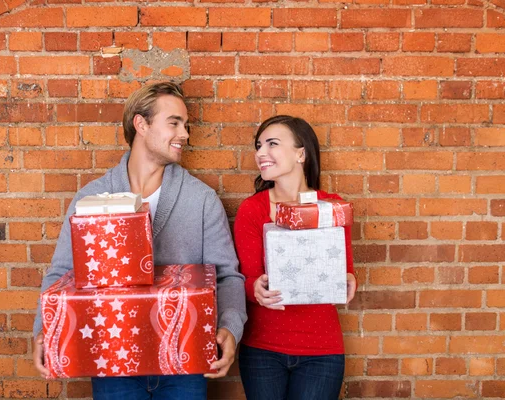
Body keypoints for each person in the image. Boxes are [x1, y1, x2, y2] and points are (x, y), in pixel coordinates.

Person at [32, 82, 247, 399]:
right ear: (141, 124)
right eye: (174, 123)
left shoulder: (202, 200)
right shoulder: (91, 198)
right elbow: (61, 273)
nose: (185, 134)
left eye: (185, 125)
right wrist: (44, 331)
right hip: (112, 360)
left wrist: (229, 328)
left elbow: (227, 274)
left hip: (185, 364)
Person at [233, 115, 357, 400]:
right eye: (259, 145)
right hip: (264, 349)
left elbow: (346, 269)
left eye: (272, 144)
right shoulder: (253, 210)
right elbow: (245, 279)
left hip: (321, 350)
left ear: (301, 153)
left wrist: (350, 279)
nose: (261, 153)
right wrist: (254, 288)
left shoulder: (332, 207)